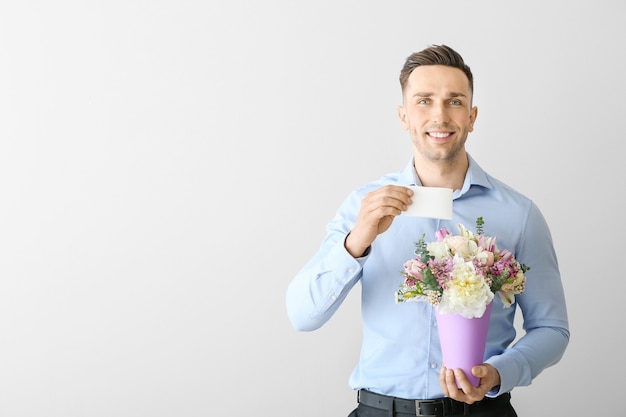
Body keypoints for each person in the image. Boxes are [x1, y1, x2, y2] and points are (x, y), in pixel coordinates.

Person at [285, 44, 570, 417]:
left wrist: (502, 371)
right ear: (403, 116)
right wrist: (357, 240)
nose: (440, 115)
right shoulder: (363, 206)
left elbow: (552, 329)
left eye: (454, 101)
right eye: (424, 101)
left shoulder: (519, 214)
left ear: (472, 115)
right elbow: (303, 316)